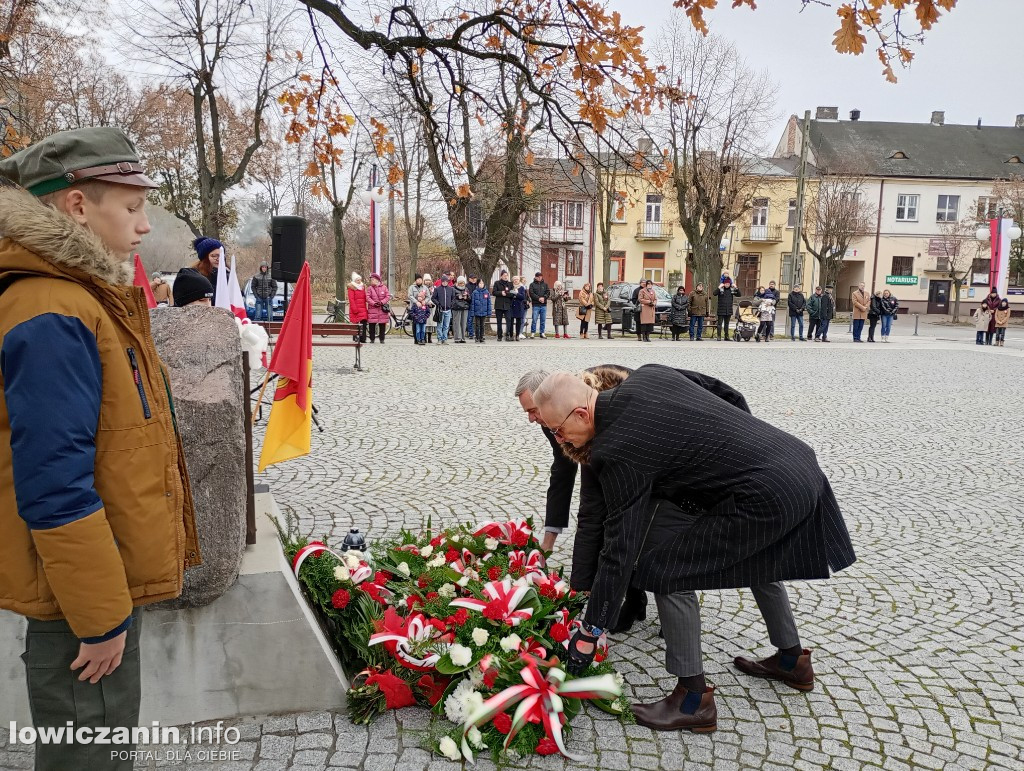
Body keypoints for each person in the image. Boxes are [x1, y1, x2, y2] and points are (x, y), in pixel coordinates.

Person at [0, 126, 199, 771]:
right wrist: (101, 617)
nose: (144, 226)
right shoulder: (50, 309)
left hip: (87, 589)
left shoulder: (74, 296)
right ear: (77, 206)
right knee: (90, 753)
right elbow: (54, 483)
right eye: (132, 206)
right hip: (77, 604)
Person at [530, 366, 856, 732]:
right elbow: (725, 391)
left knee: (665, 570)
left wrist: (591, 629)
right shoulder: (649, 375)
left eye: (558, 431)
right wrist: (738, 449)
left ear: (581, 413)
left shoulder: (617, 447)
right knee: (760, 558)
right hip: (795, 463)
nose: (562, 442)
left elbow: (621, 546)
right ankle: (792, 661)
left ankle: (692, 700)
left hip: (764, 494)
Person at [191, 235, 223, 304]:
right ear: (205, 258)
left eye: (221, 255)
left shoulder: (227, 274)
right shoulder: (194, 277)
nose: (218, 259)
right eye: (214, 256)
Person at [365, 273, 391, 344]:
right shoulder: (370, 288)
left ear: (377, 280)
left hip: (382, 309)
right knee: (371, 325)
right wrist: (373, 303)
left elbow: (387, 296)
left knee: (382, 325)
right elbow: (367, 297)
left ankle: (382, 339)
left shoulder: (384, 287)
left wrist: (382, 302)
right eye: (371, 279)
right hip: (372, 309)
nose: (371, 281)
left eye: (372, 279)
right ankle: (372, 339)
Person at [432, 273, 456, 345]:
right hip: (440, 310)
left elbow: (454, 298)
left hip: (448, 310)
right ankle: (439, 338)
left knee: (446, 325)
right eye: (443, 281)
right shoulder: (437, 289)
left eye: (446, 281)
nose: (445, 283)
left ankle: (445, 339)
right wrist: (438, 304)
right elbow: (433, 298)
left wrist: (451, 304)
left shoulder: (451, 289)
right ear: (441, 282)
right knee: (440, 325)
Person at [713, 277, 740, 341]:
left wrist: (736, 288)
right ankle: (719, 336)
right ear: (723, 284)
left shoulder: (731, 290)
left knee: (727, 324)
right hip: (721, 309)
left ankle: (726, 336)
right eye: (726, 284)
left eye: (728, 284)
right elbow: (714, 293)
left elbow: (739, 295)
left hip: (728, 309)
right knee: (719, 323)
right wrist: (719, 287)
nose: (727, 285)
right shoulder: (721, 290)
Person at [492, 269, 514, 342]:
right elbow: (494, 292)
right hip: (499, 305)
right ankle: (499, 335)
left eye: (507, 275)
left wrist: (506, 294)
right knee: (499, 322)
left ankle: (507, 335)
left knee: (508, 321)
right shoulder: (497, 283)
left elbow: (512, 293)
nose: (506, 277)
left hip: (507, 305)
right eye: (504, 275)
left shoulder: (510, 284)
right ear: (501, 276)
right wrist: (501, 293)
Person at [347, 272, 369, 343]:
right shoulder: (351, 288)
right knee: (356, 324)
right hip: (355, 308)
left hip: (363, 308)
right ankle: (355, 337)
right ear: (354, 281)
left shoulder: (363, 287)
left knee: (364, 323)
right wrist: (354, 309)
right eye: (357, 280)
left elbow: (366, 297)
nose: (359, 281)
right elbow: (351, 299)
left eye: (360, 279)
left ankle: (363, 338)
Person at [528, 271, 549, 339]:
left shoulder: (545, 284)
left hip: (543, 305)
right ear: (535, 277)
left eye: (541, 277)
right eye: (538, 277)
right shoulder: (532, 284)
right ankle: (533, 332)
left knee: (543, 320)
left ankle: (542, 332)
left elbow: (548, 292)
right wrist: (538, 298)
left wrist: (544, 297)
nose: (540, 278)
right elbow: (531, 293)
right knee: (534, 319)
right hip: (536, 305)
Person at [471, 278, 492, 343]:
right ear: (477, 284)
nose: (481, 284)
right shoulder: (475, 292)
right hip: (477, 311)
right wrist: (472, 312)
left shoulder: (486, 292)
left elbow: (489, 303)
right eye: (480, 283)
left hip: (484, 311)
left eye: (482, 283)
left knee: (482, 325)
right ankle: (477, 337)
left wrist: (489, 312)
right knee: (477, 325)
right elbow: (472, 303)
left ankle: (481, 337)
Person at [452, 275, 471, 344]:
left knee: (463, 323)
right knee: (457, 323)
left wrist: (466, 297)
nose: (461, 284)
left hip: (465, 307)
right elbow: (452, 298)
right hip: (456, 307)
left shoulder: (466, 289)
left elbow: (470, 299)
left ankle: (463, 337)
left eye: (462, 283)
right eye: (460, 283)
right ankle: (457, 338)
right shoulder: (453, 288)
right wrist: (458, 296)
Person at [510, 275, 528, 341]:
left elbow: (522, 297)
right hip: (511, 306)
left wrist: (516, 294)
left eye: (517, 279)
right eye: (514, 279)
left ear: (519, 280)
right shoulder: (510, 286)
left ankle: (517, 335)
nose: (515, 280)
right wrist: (513, 294)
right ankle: (511, 335)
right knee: (511, 322)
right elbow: (509, 295)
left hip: (519, 306)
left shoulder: (521, 288)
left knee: (518, 321)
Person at [422, 273, 437, 343]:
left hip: (432, 307)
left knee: (431, 323)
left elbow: (435, 297)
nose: (427, 281)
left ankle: (429, 337)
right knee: (425, 322)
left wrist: (432, 303)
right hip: (424, 306)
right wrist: (427, 302)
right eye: (426, 280)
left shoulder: (434, 288)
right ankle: (424, 337)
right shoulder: (422, 288)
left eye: (429, 280)